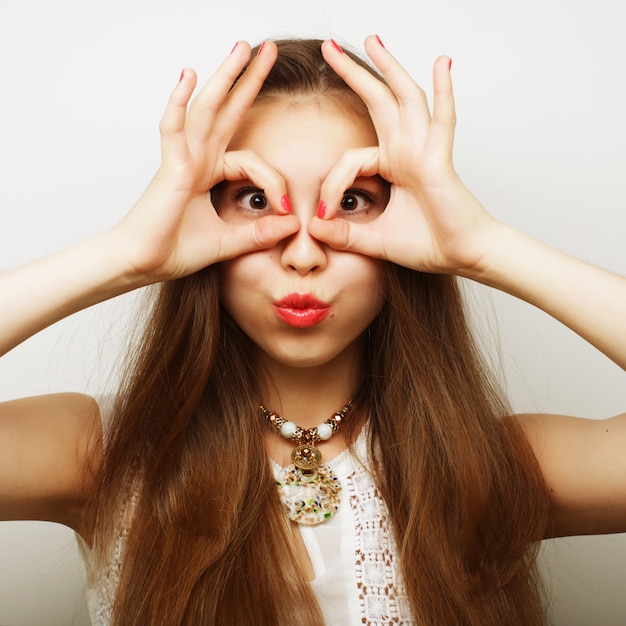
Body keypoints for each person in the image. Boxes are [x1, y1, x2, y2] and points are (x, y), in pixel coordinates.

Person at [1, 35, 625, 626]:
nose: (303, 254)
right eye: (253, 199)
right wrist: (126, 255)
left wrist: (484, 247)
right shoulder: (105, 455)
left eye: (352, 201)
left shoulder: (487, 465)